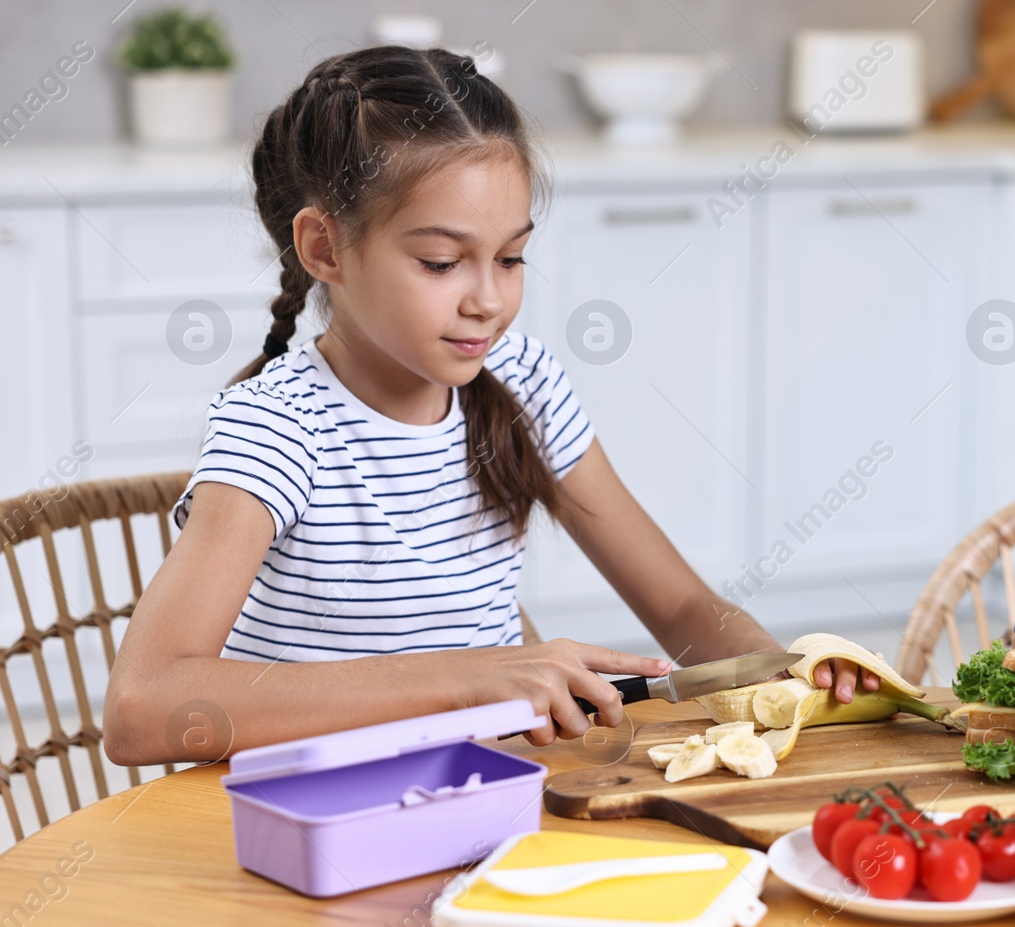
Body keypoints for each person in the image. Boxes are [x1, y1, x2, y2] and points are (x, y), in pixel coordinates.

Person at [103, 46, 871, 766]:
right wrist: (473, 676)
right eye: (442, 262)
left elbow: (679, 604)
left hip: (491, 794)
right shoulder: (278, 430)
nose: (490, 300)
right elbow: (142, 709)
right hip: (315, 824)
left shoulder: (525, 384)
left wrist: (790, 671)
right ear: (325, 249)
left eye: (511, 258)